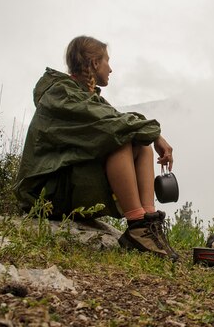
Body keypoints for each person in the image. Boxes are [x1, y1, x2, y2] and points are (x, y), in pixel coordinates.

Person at [14, 35, 178, 260]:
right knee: (120, 141)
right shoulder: (60, 94)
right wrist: (157, 134)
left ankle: (148, 223)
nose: (110, 69)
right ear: (94, 63)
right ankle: (137, 224)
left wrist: (153, 136)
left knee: (140, 143)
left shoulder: (87, 96)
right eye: (107, 61)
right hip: (46, 193)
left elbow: (120, 119)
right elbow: (114, 127)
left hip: (67, 184)